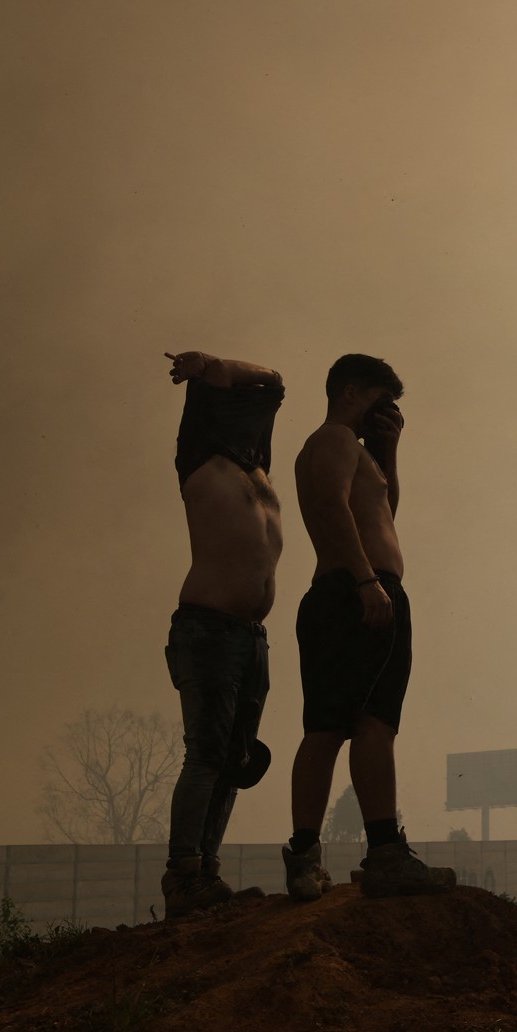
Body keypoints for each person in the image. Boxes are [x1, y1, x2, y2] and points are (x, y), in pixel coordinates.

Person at [282, 354, 454, 899]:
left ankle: (310, 857)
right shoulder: (332, 438)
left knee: (335, 725)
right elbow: (334, 507)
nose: (386, 413)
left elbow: (381, 512)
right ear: (351, 392)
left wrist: (389, 450)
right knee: (366, 723)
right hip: (356, 590)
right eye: (381, 402)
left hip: (355, 589)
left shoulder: (356, 452)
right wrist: (364, 581)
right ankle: (382, 852)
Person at [160, 350, 284, 917]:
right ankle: (184, 873)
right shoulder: (199, 458)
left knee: (233, 759)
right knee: (206, 754)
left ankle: (206, 871)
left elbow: (274, 381)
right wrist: (207, 366)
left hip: (249, 634)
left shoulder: (257, 469)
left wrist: (232, 371)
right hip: (207, 628)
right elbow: (237, 382)